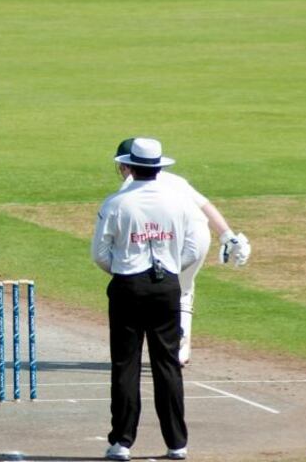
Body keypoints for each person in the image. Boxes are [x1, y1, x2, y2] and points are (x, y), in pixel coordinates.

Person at [92, 138, 197, 462]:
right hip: (166, 286)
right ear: (158, 167)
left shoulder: (116, 203)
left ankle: (122, 442)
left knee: (126, 364)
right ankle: (177, 443)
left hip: (128, 285)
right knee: (167, 365)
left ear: (129, 166)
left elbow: (99, 254)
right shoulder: (178, 202)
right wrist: (167, 272)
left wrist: (125, 271)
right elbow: (191, 250)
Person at [114, 138, 250, 365]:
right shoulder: (174, 180)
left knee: (164, 288)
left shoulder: (130, 186)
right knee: (183, 289)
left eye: (122, 165)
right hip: (199, 235)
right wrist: (228, 236)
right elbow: (204, 206)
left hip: (174, 238)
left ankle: (171, 343)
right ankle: (181, 347)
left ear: (128, 165)